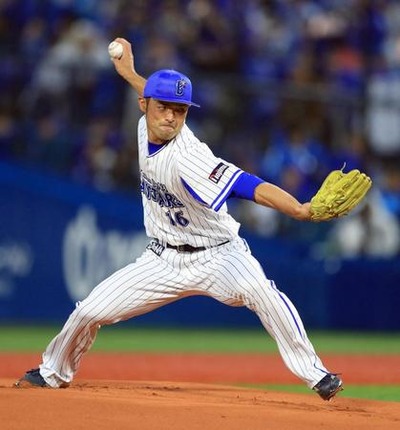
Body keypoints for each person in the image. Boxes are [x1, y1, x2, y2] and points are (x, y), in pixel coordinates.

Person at [15, 38, 343, 401]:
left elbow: (246, 185)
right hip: (162, 259)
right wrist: (130, 73)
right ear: (144, 106)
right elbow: (149, 90)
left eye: (180, 110)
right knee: (89, 311)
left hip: (219, 255)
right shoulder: (146, 124)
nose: (171, 116)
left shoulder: (189, 157)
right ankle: (52, 372)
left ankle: (317, 375)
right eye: (164, 107)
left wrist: (298, 209)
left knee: (263, 294)